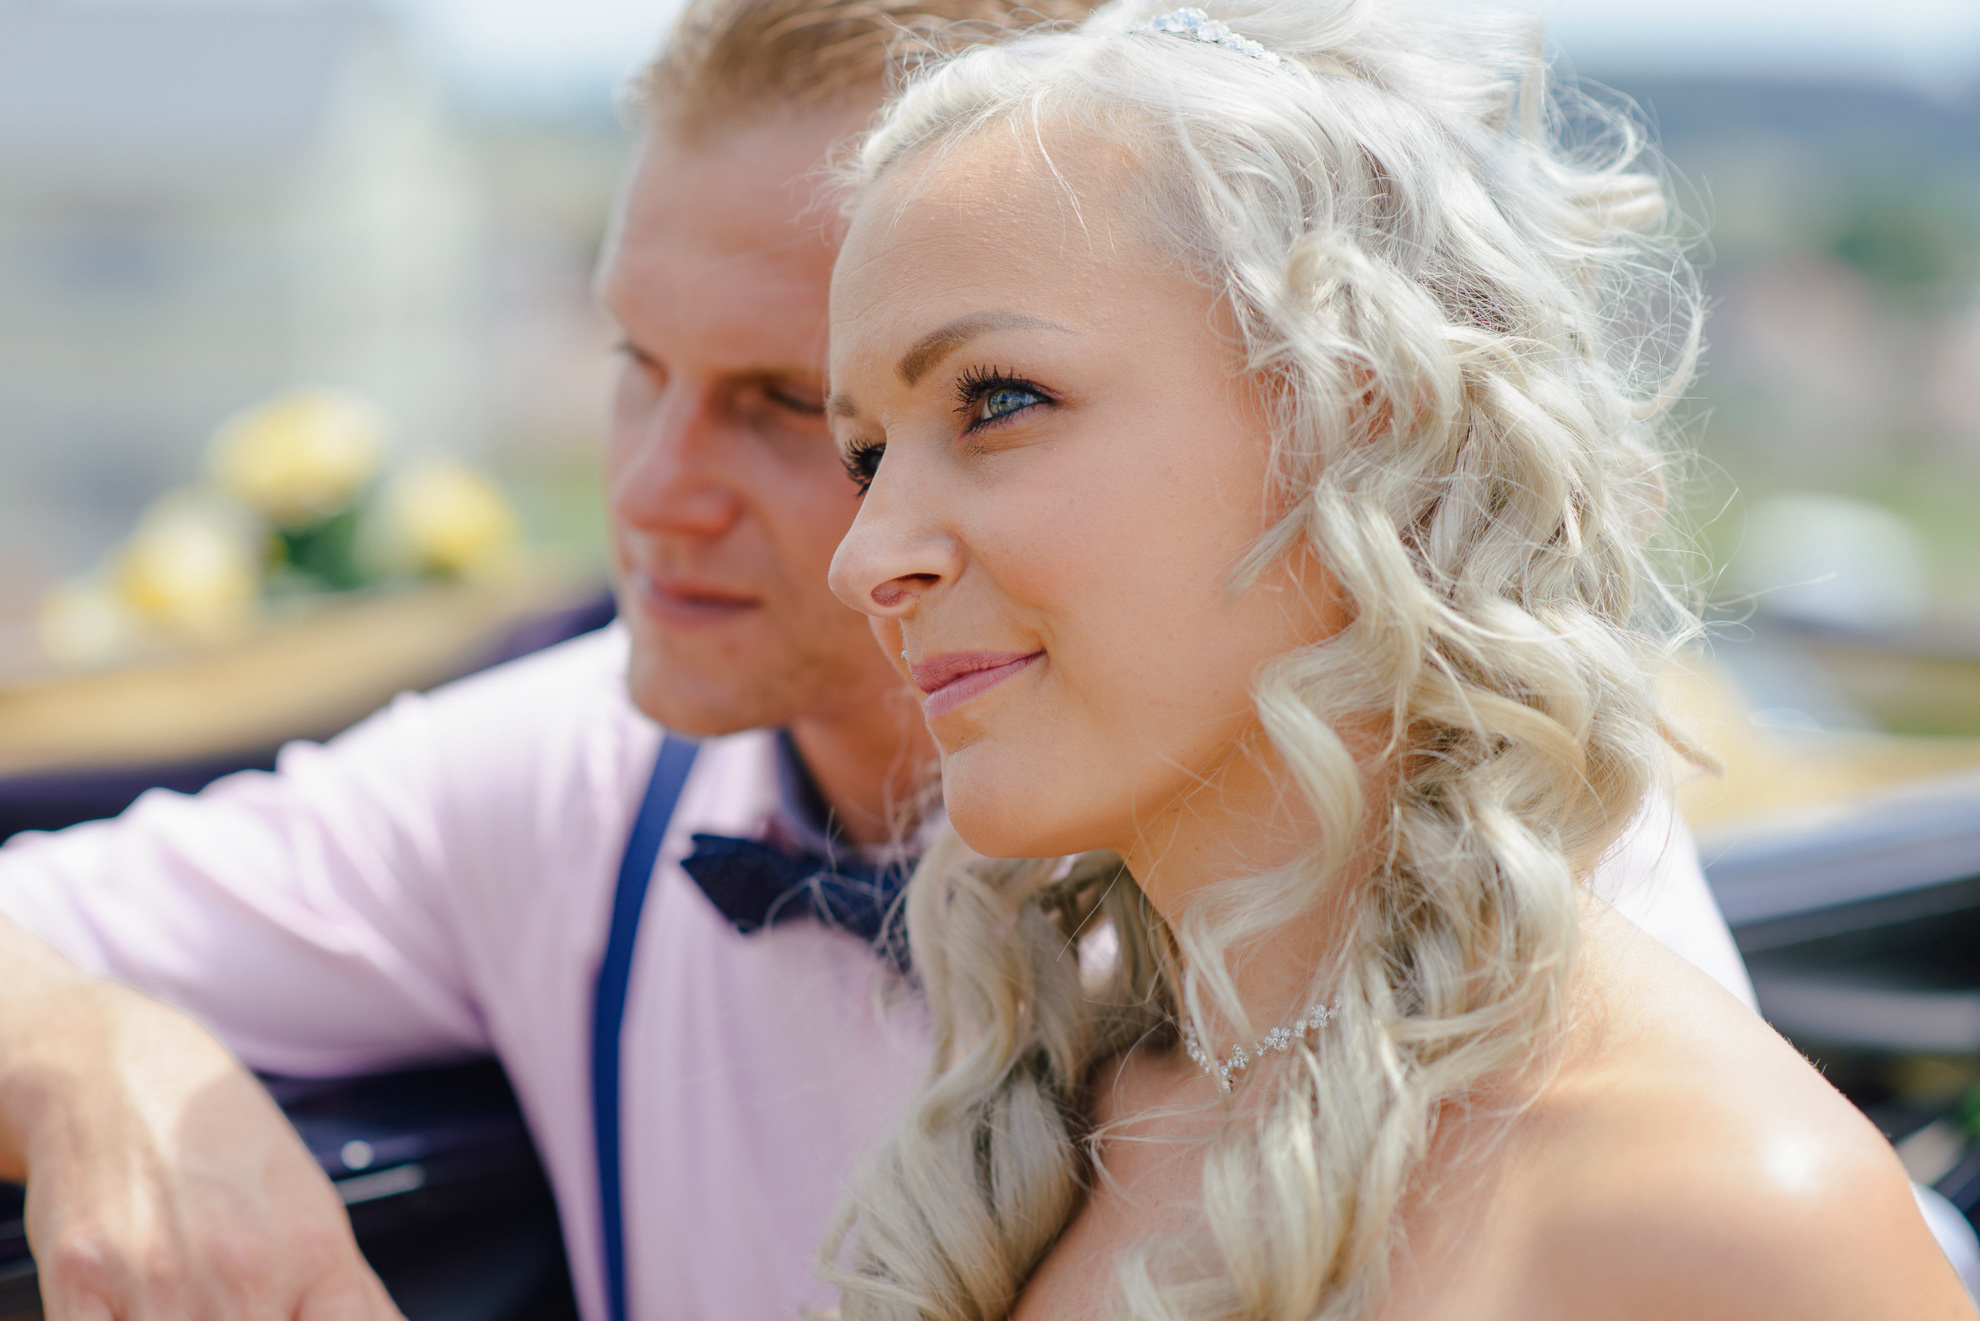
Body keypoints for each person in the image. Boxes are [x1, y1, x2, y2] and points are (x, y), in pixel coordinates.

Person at [0, 1, 1751, 1319]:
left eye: (779, 405)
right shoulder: (567, 779)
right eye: (633, 366)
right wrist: (93, 1056)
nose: (651, 492)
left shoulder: (1508, 904)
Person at [818, 1, 1973, 1317]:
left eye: (998, 400)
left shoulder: (1720, 1210)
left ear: (1354, 412)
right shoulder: (1050, 1132)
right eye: (864, 456)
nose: (865, 556)